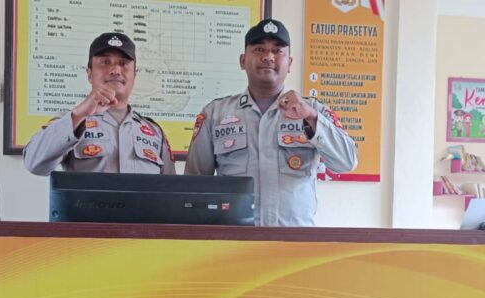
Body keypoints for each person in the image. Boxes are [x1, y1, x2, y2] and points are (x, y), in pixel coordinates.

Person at [185, 19, 357, 226]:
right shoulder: (214, 114)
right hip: (234, 241)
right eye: (259, 49)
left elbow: (346, 162)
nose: (268, 57)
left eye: (277, 51)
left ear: (290, 63)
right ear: (242, 61)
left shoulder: (313, 110)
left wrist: (311, 117)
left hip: (294, 241)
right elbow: (194, 188)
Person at [24, 32, 175, 175]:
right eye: (105, 62)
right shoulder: (72, 121)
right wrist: (80, 114)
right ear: (89, 74)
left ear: (134, 75)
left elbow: (171, 189)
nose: (116, 70)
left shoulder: (155, 132)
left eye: (123, 63)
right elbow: (34, 164)